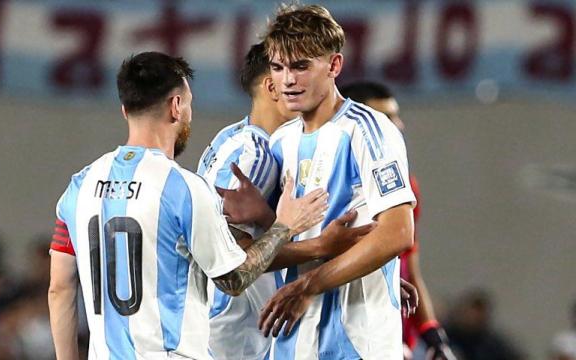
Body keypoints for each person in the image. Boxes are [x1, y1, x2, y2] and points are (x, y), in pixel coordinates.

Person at [47, 51, 329, 360]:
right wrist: (283, 225)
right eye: (190, 103)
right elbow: (233, 278)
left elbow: (60, 289)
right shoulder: (184, 188)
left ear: (125, 110)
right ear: (176, 106)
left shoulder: (79, 186)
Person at [255, 5, 418, 359]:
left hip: (357, 344)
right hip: (294, 342)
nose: (288, 80)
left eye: (301, 66)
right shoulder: (280, 143)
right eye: (278, 67)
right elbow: (260, 252)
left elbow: (398, 233)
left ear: (333, 66)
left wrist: (312, 283)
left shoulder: (368, 129)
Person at [199, 43, 377, 360]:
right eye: (285, 71)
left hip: (219, 326)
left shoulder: (229, 137)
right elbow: (232, 259)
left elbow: (264, 233)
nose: (296, 82)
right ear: (271, 85)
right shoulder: (258, 155)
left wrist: (364, 268)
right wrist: (323, 247)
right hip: (238, 335)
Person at [340, 81, 456, 360]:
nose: (399, 125)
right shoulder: (332, 183)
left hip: (393, 337)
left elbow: (409, 265)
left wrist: (432, 334)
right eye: (386, 117)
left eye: (396, 116)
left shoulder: (404, 186)